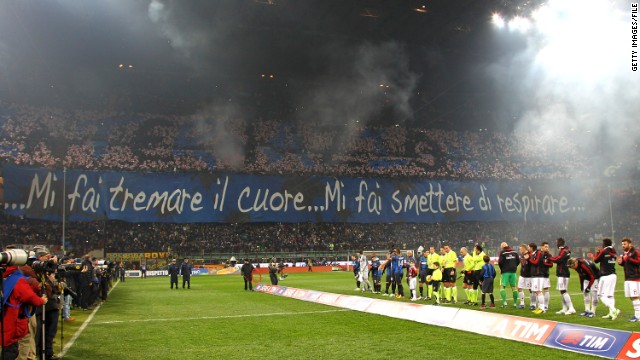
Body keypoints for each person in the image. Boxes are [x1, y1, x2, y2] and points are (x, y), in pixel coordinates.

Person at [2, 263, 48, 360]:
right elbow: (29, 296)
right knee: (12, 349)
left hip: (5, 316)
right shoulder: (17, 279)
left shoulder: (6, 277)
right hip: (13, 319)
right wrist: (41, 300)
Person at [593, 238, 620, 320]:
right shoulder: (613, 251)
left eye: (602, 243)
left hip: (605, 276)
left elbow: (596, 260)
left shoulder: (603, 251)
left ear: (604, 244)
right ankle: (612, 314)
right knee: (610, 295)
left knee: (601, 295)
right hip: (613, 275)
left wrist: (597, 253)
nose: (602, 244)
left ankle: (614, 310)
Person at [549, 238, 576, 315]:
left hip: (563, 273)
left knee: (563, 291)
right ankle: (564, 308)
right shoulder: (565, 250)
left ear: (559, 243)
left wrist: (549, 258)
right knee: (562, 291)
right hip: (563, 272)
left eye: (556, 242)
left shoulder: (563, 251)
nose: (556, 244)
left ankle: (571, 308)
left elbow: (558, 259)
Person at [617, 237, 640, 322]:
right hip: (627, 278)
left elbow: (638, 262)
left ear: (630, 244)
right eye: (622, 244)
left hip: (634, 278)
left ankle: (638, 316)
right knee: (631, 297)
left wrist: (628, 258)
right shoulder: (625, 253)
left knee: (634, 296)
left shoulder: (635, 252)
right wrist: (621, 263)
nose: (623, 245)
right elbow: (626, 264)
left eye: (625, 244)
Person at [497, 242, 520, 308]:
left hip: (505, 271)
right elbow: (518, 261)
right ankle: (515, 303)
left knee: (502, 286)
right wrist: (514, 266)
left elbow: (500, 262)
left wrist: (502, 269)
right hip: (513, 271)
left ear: (502, 246)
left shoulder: (503, 252)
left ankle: (505, 303)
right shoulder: (514, 252)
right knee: (513, 287)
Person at [528, 243, 547, 314]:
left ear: (532, 247)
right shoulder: (533, 254)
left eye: (528, 247)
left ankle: (542, 308)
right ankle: (539, 307)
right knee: (536, 291)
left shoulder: (539, 253)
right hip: (534, 275)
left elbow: (536, 262)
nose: (528, 248)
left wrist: (529, 259)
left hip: (538, 275)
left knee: (539, 291)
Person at [517, 244, 532, 309]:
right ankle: (522, 303)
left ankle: (532, 303)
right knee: (519, 288)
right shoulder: (521, 256)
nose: (519, 250)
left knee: (531, 290)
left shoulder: (529, 255)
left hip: (529, 275)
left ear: (524, 248)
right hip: (522, 274)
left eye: (520, 249)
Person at [540, 242, 553, 310]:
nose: (547, 248)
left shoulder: (549, 255)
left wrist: (544, 263)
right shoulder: (538, 253)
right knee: (538, 290)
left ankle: (546, 305)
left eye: (547, 247)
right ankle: (540, 305)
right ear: (541, 247)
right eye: (545, 246)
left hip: (545, 274)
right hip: (537, 275)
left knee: (546, 289)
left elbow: (551, 264)